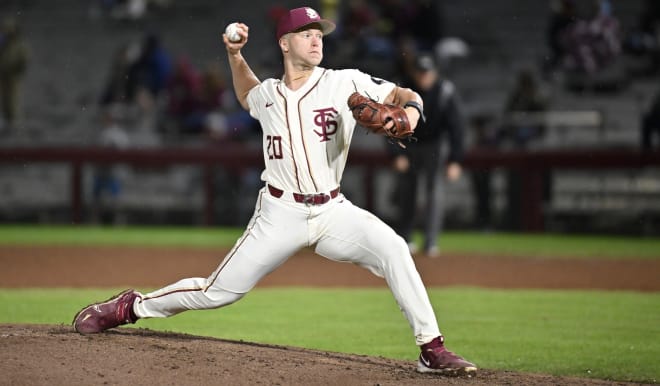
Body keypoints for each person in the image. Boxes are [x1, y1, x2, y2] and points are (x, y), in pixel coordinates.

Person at [72, 6, 477, 376]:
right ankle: (131, 306)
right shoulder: (268, 94)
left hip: (333, 210)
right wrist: (234, 56)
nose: (317, 39)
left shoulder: (344, 82)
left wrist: (408, 112)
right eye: (306, 33)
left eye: (319, 33)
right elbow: (247, 92)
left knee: (394, 248)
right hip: (279, 214)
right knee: (217, 292)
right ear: (285, 43)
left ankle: (431, 349)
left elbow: (405, 95)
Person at [389, 52, 465, 257]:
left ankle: (431, 241)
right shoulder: (403, 89)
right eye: (420, 72)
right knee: (407, 193)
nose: (424, 77)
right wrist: (396, 153)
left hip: (435, 146)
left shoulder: (445, 91)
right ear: (413, 72)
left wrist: (455, 160)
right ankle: (406, 238)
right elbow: (388, 123)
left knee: (434, 193)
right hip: (408, 144)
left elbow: (457, 128)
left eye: (427, 72)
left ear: (435, 73)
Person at [0, 17, 29, 132]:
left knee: (13, 99)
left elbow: (24, 59)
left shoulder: (19, 44)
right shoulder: (2, 43)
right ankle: (4, 120)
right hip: (2, 75)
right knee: (2, 98)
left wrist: (18, 69)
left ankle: (14, 121)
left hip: (14, 76)